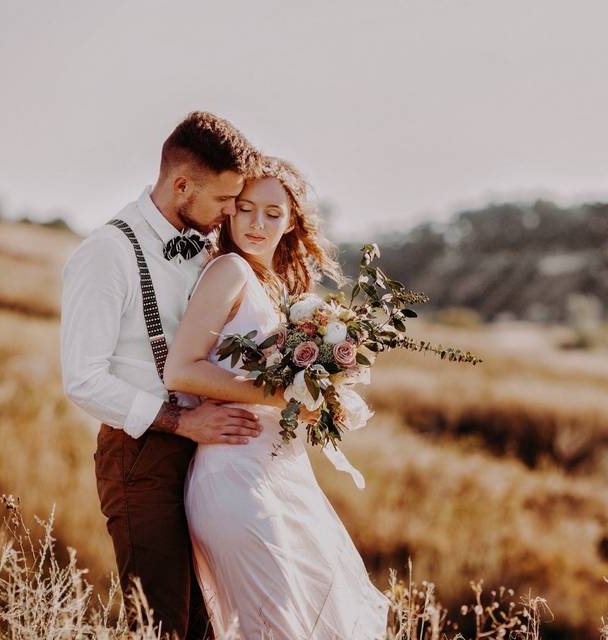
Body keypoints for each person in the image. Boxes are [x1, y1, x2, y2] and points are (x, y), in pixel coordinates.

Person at [61, 111, 275, 639]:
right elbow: (83, 379)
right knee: (161, 627)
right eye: (225, 201)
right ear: (181, 185)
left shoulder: (207, 251)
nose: (230, 214)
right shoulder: (106, 253)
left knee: (209, 625)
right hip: (141, 459)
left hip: (209, 462)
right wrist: (181, 423)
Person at [163, 154, 390, 639]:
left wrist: (323, 397)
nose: (257, 223)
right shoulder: (228, 270)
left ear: (291, 223)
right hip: (234, 480)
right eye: (245, 208)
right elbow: (181, 369)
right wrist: (282, 395)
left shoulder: (276, 289)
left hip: (276, 474)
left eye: (272, 213)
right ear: (230, 211)